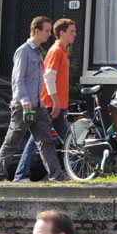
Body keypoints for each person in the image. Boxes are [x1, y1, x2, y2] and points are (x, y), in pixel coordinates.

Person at [0, 15, 67, 181]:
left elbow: (37, 81)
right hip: (23, 106)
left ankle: (57, 176)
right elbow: (17, 79)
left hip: (38, 106)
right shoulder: (23, 52)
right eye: (47, 31)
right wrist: (25, 100)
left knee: (46, 141)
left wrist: (40, 102)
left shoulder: (39, 53)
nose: (50, 34)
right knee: (13, 140)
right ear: (37, 31)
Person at [14, 18, 77, 182]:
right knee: (40, 141)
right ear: (61, 33)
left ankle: (70, 172)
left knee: (65, 140)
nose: (75, 34)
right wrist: (56, 101)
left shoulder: (62, 51)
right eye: (72, 31)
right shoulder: (56, 51)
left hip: (55, 104)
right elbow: (49, 78)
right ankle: (22, 175)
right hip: (50, 105)